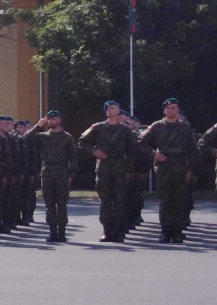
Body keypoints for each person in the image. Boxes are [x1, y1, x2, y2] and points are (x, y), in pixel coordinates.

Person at [139, 98, 199, 243]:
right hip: (163, 168)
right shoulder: (157, 126)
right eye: (168, 108)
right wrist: (154, 154)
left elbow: (193, 150)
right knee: (165, 201)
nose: (171, 110)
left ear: (178, 110)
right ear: (164, 110)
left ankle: (177, 232)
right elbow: (140, 143)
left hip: (180, 167)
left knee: (179, 201)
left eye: (174, 108)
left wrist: (190, 169)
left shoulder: (185, 127)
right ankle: (165, 232)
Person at [78, 101, 136, 242]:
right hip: (103, 169)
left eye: (112, 108)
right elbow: (82, 141)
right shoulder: (97, 128)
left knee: (120, 201)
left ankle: (118, 231)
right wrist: (94, 151)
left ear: (118, 111)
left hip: (120, 169)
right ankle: (106, 231)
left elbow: (131, 151)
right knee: (105, 201)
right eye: (107, 109)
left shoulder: (125, 130)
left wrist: (129, 169)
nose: (109, 110)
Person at [24, 111, 77, 242]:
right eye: (49, 119)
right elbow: (26, 138)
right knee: (49, 204)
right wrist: (38, 125)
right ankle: (52, 232)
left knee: (62, 203)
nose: (51, 121)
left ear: (59, 120)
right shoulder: (43, 136)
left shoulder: (67, 137)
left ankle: (62, 232)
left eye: (54, 119)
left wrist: (72, 174)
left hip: (62, 172)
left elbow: (73, 157)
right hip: (47, 172)